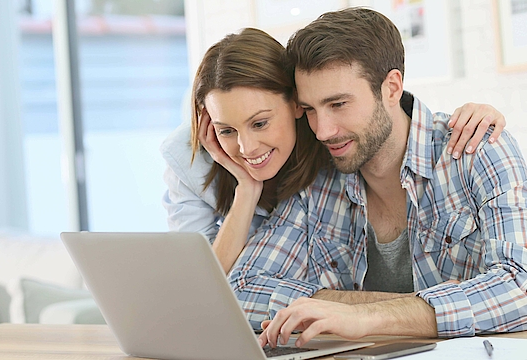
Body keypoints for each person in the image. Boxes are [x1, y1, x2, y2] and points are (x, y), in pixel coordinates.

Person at [214, 8, 527, 347]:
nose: (322, 130)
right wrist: (345, 310)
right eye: (311, 110)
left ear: (391, 88)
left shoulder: (475, 150)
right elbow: (240, 288)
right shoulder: (319, 181)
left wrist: (367, 318)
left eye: (338, 104)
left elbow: (520, 283)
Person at [161, 27, 507, 275]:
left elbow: (382, 111)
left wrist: (480, 115)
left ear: (293, 105)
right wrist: (245, 191)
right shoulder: (191, 160)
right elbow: (205, 289)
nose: (246, 147)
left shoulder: (329, 143)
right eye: (226, 130)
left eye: (261, 123)